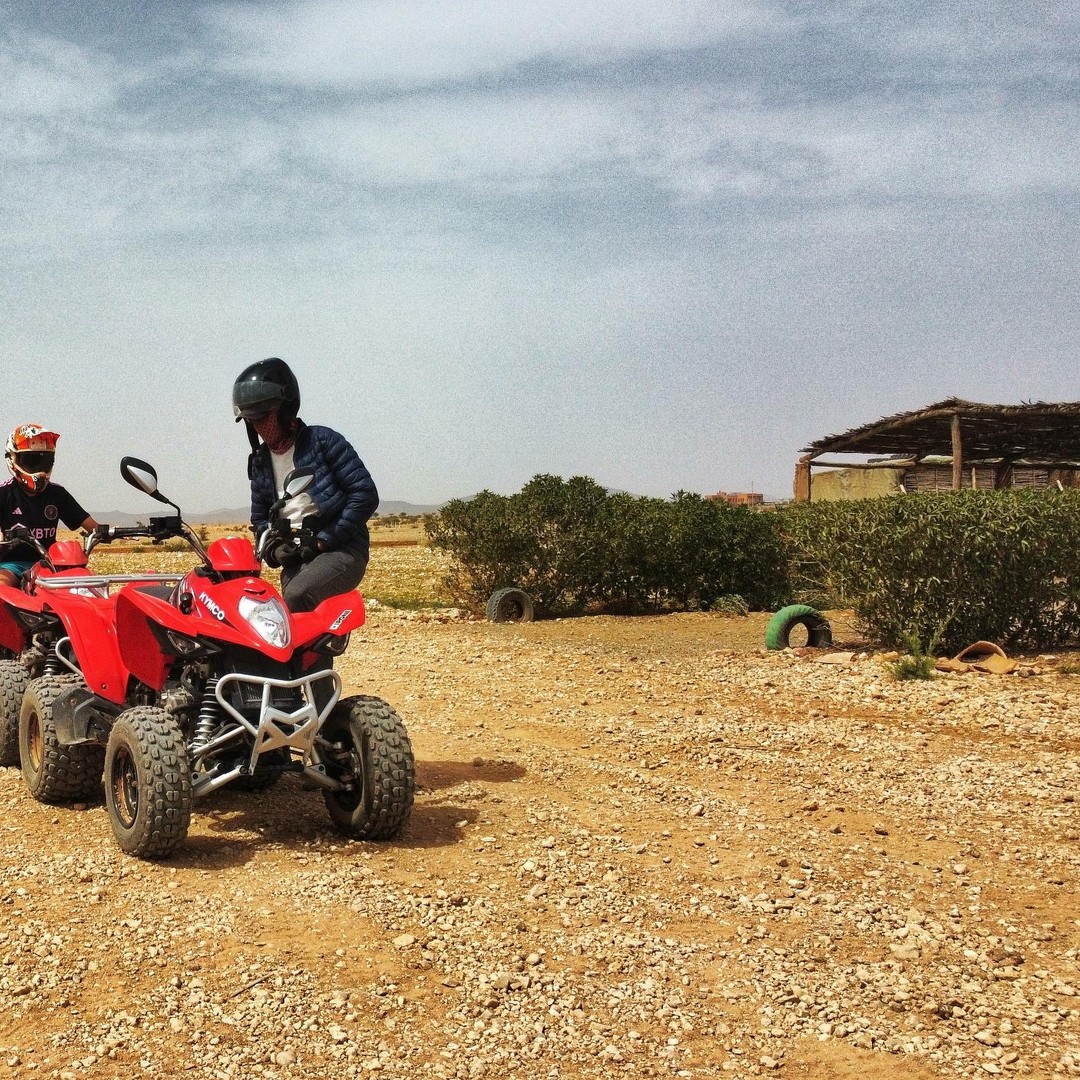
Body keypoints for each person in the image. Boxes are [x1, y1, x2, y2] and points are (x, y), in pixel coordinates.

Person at [232, 358, 379, 612]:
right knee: (290, 627)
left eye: (264, 417)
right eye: (252, 420)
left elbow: (364, 494)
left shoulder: (322, 441)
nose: (259, 426)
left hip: (342, 550)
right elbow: (260, 520)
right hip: (297, 558)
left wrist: (324, 540)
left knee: (299, 597)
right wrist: (275, 551)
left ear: (285, 410)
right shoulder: (259, 462)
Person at [0, 424, 99, 588]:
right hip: (13, 565)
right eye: (32, 461)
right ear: (13, 459)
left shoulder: (57, 494)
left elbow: (93, 527)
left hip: (50, 564)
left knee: (90, 587)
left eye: (45, 461)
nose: (39, 468)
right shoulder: (4, 493)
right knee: (2, 586)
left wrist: (110, 532)